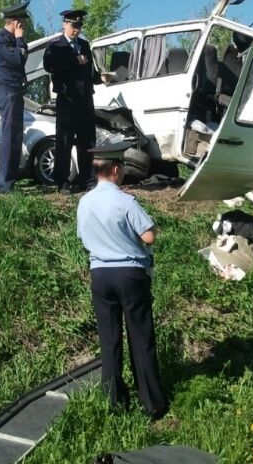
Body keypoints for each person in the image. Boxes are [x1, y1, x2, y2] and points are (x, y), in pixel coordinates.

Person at [76, 140, 169, 420]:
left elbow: (82, 237)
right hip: (129, 273)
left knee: (109, 339)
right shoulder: (125, 201)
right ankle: (152, 402)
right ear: (116, 170)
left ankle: (114, 401)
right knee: (140, 337)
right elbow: (148, 236)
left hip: (100, 274)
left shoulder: (84, 202)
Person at [43, 9, 103, 194]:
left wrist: (102, 78)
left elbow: (89, 72)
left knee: (88, 141)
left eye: (79, 26)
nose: (77, 29)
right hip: (67, 99)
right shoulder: (56, 46)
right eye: (74, 26)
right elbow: (49, 66)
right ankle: (62, 181)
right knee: (65, 141)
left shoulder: (84, 45)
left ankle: (88, 179)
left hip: (85, 98)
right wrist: (73, 60)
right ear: (65, 24)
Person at [0, 0, 30, 193]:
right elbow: (19, 59)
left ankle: (7, 182)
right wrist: (20, 39)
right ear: (15, 22)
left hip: (14, 91)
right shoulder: (1, 40)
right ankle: (4, 184)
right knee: (10, 137)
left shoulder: (9, 40)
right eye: (22, 22)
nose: (24, 26)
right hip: (8, 91)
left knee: (15, 137)